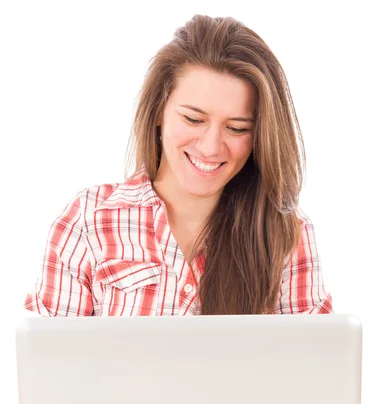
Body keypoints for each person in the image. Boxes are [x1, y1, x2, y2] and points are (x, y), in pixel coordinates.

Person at [23, 14, 333, 317]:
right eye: (193, 119)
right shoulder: (88, 220)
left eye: (237, 128)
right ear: (159, 111)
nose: (210, 147)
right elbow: (50, 362)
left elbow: (312, 364)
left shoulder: (287, 235)